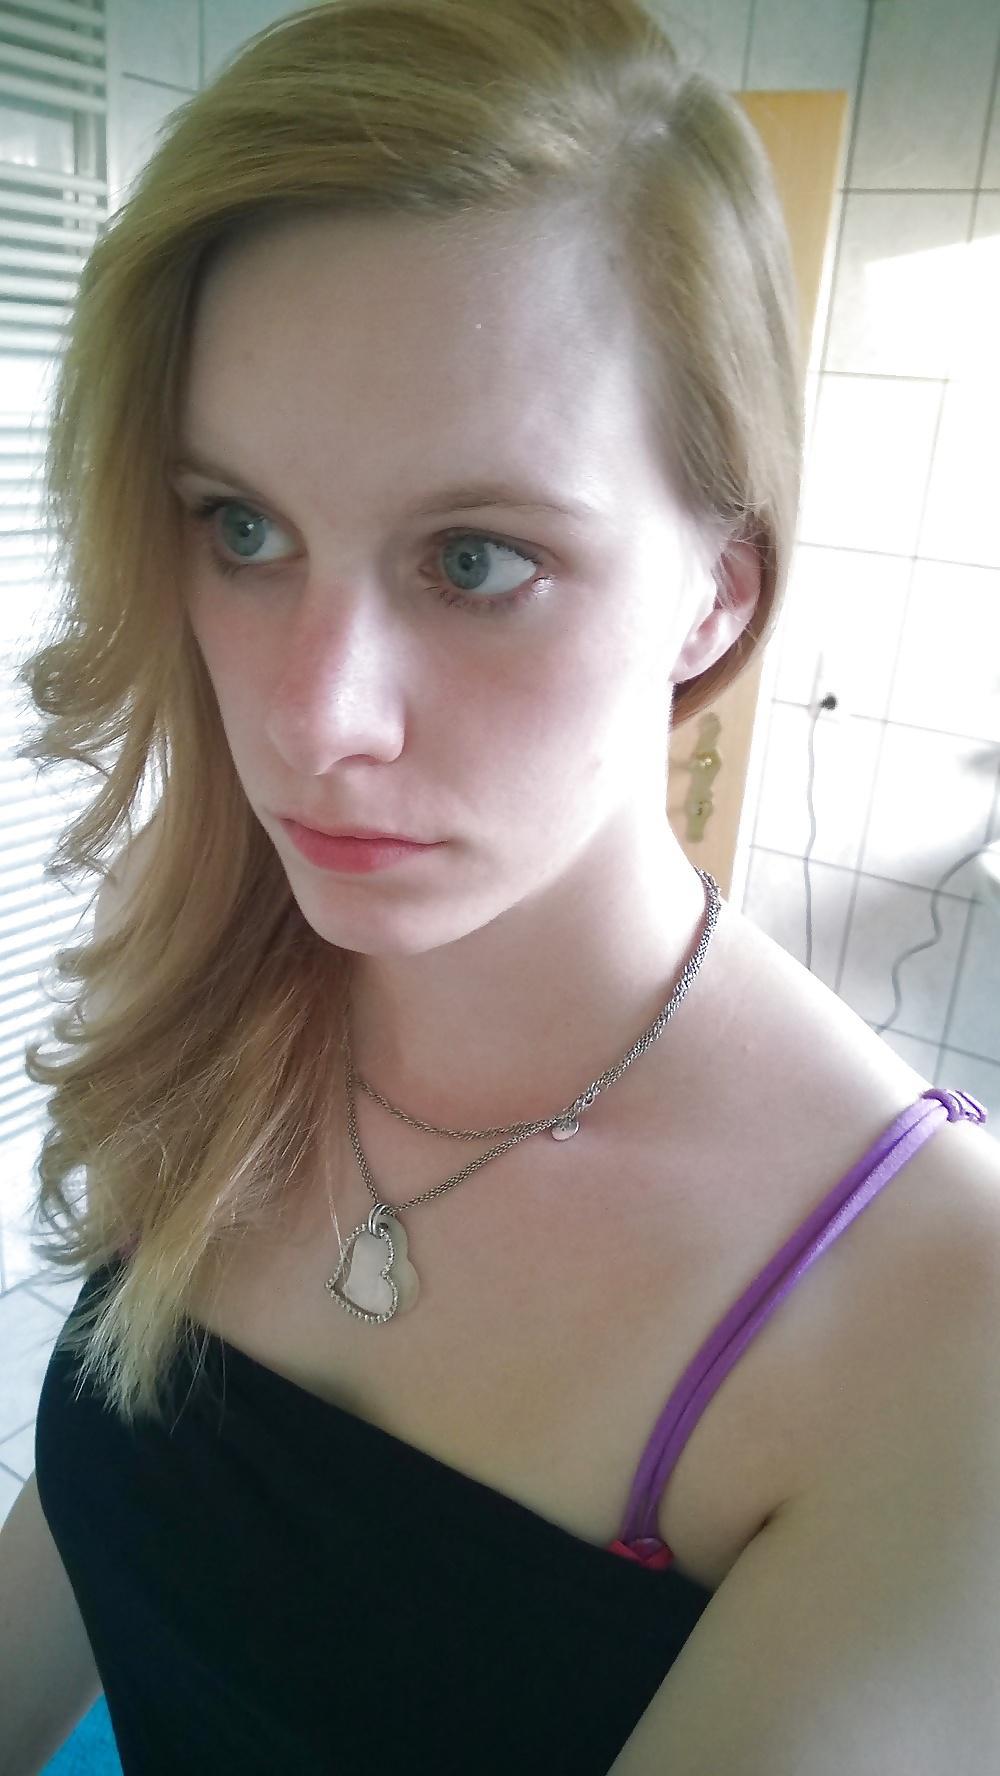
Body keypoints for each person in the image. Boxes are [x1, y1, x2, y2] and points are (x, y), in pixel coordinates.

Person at [1, 1, 998, 1771]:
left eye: (475, 559)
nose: (314, 718)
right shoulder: (224, 1003)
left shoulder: (938, 1325)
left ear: (716, 593)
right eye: (243, 528)